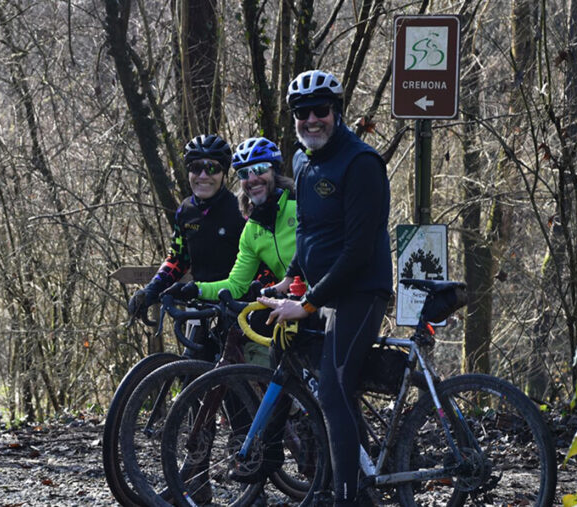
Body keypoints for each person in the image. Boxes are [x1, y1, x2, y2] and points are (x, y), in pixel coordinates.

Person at [259, 69, 393, 507]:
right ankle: (356, 492)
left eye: (320, 110)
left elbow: (356, 251)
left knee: (334, 391)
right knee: (329, 386)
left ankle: (346, 499)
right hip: (324, 291)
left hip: (360, 290)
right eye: (302, 112)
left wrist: (309, 303)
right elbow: (308, 231)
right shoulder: (300, 160)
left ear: (337, 112)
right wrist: (290, 279)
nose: (311, 120)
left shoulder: (361, 163)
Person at [163, 136, 297, 366]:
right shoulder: (252, 229)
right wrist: (194, 289)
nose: (253, 178)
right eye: (245, 173)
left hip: (323, 300)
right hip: (288, 309)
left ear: (275, 171)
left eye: (260, 169)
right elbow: (236, 284)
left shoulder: (300, 206)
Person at [127, 134, 244, 359]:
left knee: (239, 387)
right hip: (199, 309)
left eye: (212, 168)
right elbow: (178, 259)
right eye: (195, 167)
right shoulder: (185, 210)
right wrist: (150, 291)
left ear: (224, 173)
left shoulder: (241, 210)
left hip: (238, 310)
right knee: (192, 378)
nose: (203, 175)